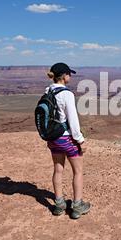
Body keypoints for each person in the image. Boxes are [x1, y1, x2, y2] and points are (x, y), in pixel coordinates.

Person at [45, 62, 91, 219]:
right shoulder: (67, 94)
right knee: (77, 171)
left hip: (52, 138)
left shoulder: (48, 91)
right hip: (66, 138)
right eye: (69, 74)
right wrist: (80, 140)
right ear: (64, 76)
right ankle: (77, 207)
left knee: (58, 170)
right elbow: (73, 120)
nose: (70, 76)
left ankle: (59, 206)